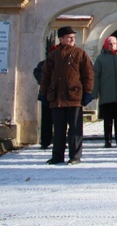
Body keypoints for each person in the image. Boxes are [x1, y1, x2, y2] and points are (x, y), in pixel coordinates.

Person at [39, 26, 94, 165]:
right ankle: (57, 155)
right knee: (58, 129)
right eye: (69, 37)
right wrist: (43, 93)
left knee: (75, 129)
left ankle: (75, 155)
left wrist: (88, 92)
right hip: (56, 97)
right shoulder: (53, 55)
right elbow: (46, 76)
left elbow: (88, 74)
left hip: (74, 96)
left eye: (73, 37)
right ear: (61, 39)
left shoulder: (80, 53)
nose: (72, 39)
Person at [93, 36, 117, 148]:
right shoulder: (101, 59)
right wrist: (94, 92)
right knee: (108, 120)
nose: (112, 45)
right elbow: (95, 76)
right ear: (106, 44)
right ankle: (108, 140)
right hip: (107, 95)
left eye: (114, 43)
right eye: (110, 43)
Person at [32, 59, 53, 149]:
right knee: (46, 119)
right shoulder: (44, 63)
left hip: (58, 95)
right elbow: (37, 72)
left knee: (59, 121)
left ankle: (59, 140)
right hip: (47, 94)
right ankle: (45, 141)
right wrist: (43, 80)